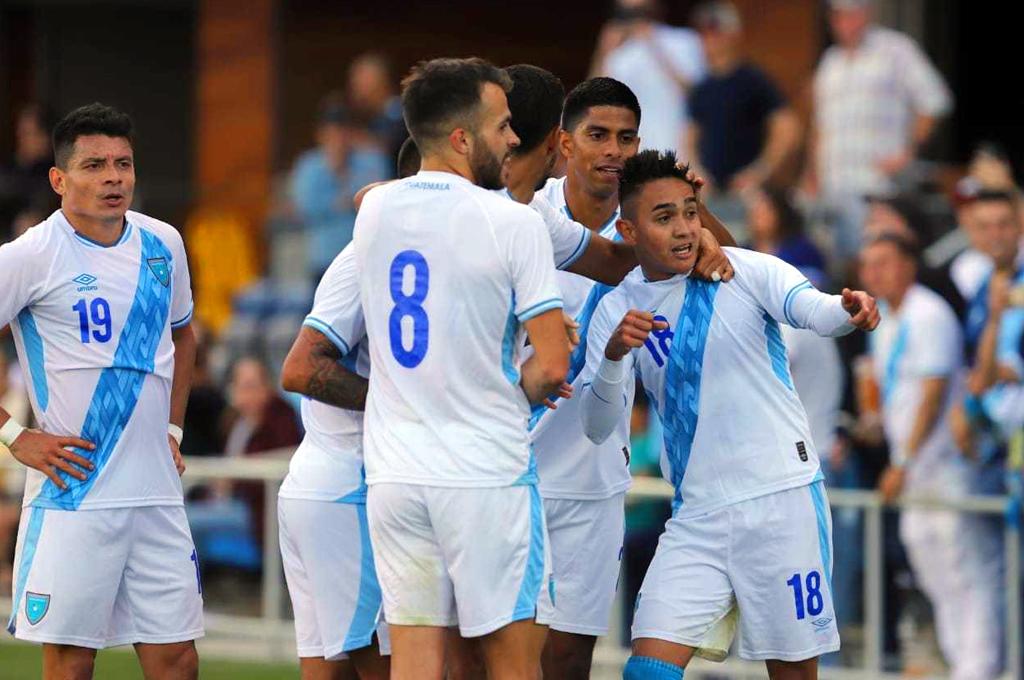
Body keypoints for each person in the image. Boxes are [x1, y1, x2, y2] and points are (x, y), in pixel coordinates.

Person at [580, 150, 880, 680]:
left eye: (691, 212)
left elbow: (814, 310)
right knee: (647, 671)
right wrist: (610, 358)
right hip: (697, 517)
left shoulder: (745, 270)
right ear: (628, 228)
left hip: (780, 502)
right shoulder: (615, 308)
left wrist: (849, 309)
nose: (684, 229)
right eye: (664, 217)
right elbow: (598, 426)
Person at [353, 57, 570, 680]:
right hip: (486, 476)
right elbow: (553, 366)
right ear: (460, 138)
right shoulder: (514, 221)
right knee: (512, 665)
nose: (512, 139)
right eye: (502, 125)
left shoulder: (374, 211)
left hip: (395, 479)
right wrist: (507, 385)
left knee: (415, 665)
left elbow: (377, 197)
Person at [531, 76, 735, 680]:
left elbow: (731, 267)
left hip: (595, 477)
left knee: (570, 656)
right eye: (597, 135)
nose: (613, 150)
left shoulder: (654, 226)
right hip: (517, 467)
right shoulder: (528, 216)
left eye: (625, 137)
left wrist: (694, 207)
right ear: (564, 143)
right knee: (504, 651)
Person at [0, 103, 201, 679]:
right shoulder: (31, 254)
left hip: (156, 494)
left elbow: (184, 335)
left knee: (178, 661)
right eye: (94, 166)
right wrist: (17, 437)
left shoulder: (164, 243)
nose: (113, 178)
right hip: (75, 495)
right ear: (59, 179)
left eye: (123, 164)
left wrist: (172, 426)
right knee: (71, 664)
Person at [860, 234, 1002, 680]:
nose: (873, 274)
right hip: (914, 468)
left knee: (966, 569)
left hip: (943, 465)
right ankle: (962, 661)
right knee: (931, 568)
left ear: (908, 265)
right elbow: (891, 392)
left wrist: (901, 462)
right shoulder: (886, 320)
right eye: (868, 265)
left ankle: (982, 667)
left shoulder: (928, 313)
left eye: (883, 263)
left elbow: (934, 395)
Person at [277, 243, 390, 679]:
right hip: (350, 489)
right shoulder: (371, 255)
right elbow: (298, 370)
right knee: (394, 666)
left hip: (323, 484)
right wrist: (403, 402)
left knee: (328, 671)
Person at [807, 0, 952, 260]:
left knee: (881, 261)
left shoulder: (896, 50)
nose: (845, 23)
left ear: (867, 14)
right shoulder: (830, 62)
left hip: (879, 187)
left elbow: (935, 100)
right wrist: (812, 176)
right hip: (835, 187)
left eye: (852, 15)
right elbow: (820, 126)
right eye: (838, 16)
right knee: (843, 271)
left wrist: (908, 152)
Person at [688, 2, 799, 194]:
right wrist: (698, 172)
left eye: (715, 31)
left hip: (747, 196)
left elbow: (788, 128)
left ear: (733, 34)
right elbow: (689, 136)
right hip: (711, 195)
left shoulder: (753, 80)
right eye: (704, 32)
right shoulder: (702, 87)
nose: (709, 39)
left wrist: (760, 171)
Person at [289, 94, 390, 284]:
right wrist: (334, 171)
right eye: (331, 134)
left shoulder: (370, 160)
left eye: (343, 133)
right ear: (321, 135)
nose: (338, 140)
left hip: (363, 259)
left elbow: (380, 200)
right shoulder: (309, 166)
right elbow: (305, 208)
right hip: (323, 260)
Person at [589, 0, 705, 154]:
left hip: (676, 149)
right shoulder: (618, 51)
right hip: (631, 153)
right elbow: (592, 98)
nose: (634, 19)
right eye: (625, 13)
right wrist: (603, 51)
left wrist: (655, 46)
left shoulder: (684, 40)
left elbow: (696, 94)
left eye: (641, 11)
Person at [0, 104, 58, 241]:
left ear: (45, 138)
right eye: (19, 133)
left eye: (28, 133)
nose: (21, 139)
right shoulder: (10, 168)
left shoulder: (56, 176)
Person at [347, 52, 406, 167]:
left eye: (360, 78)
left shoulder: (401, 113)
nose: (354, 85)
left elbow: (388, 148)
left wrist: (351, 139)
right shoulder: (375, 117)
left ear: (379, 80)